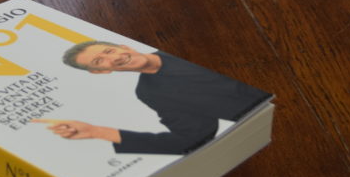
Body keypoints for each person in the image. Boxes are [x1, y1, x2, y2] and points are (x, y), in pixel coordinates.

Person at [34, 41, 269, 155]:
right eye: (99, 61)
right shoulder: (149, 93)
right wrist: (97, 132)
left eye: (109, 51)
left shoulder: (173, 41)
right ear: (100, 72)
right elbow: (193, 138)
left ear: (124, 46)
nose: (113, 58)